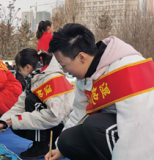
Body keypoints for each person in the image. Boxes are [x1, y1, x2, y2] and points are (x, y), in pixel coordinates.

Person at [45, 23, 154, 160]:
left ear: (81, 57)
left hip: (146, 132)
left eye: (64, 66)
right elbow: (79, 111)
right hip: (117, 127)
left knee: (94, 124)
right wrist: (59, 148)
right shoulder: (86, 76)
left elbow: (138, 131)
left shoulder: (128, 69)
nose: (65, 72)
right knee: (67, 140)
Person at [0, 48, 74, 159]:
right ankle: (45, 143)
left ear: (28, 67)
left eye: (19, 69)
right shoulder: (37, 77)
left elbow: (54, 116)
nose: (19, 73)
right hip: (56, 123)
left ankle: (41, 146)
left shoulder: (52, 79)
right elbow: (20, 104)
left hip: (66, 127)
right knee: (21, 113)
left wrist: (16, 120)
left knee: (30, 101)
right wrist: (4, 121)